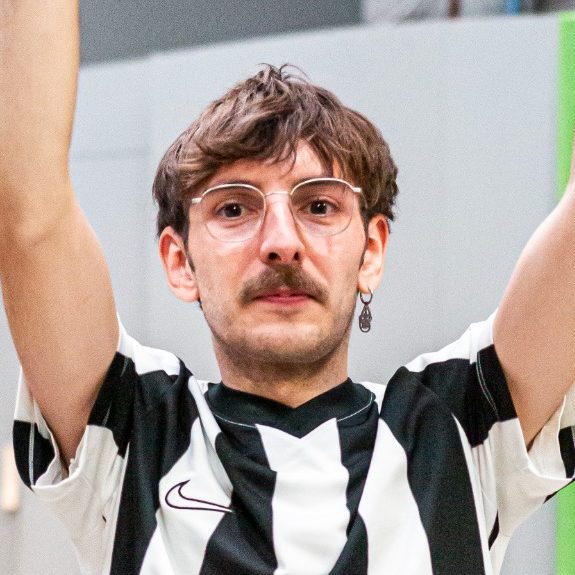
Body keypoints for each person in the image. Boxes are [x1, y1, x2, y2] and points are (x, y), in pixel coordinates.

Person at [2, 1, 575, 574]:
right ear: (181, 262)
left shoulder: (456, 428)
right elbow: (29, 213)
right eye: (233, 208)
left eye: (319, 206)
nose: (282, 242)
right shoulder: (133, 433)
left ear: (372, 251)